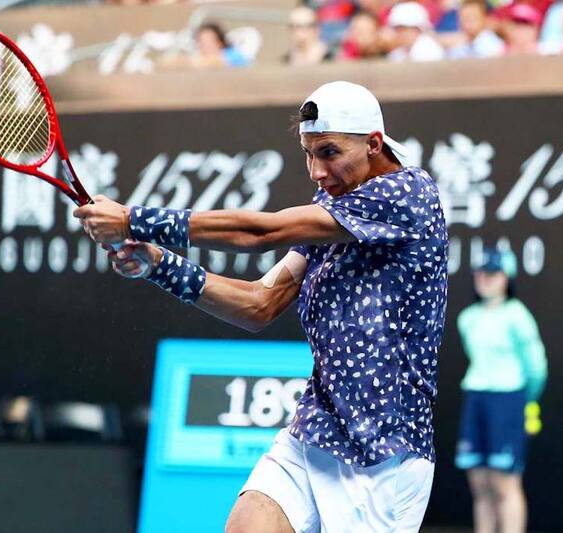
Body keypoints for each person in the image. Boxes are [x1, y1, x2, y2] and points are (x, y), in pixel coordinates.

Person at [74, 80, 449, 532]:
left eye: (328, 152)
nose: (316, 170)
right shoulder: (334, 206)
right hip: (315, 432)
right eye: (308, 153)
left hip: (383, 455)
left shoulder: (407, 195)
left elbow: (262, 233)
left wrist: (135, 219)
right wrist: (157, 264)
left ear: (373, 144)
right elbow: (259, 303)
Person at [454, 247, 547, 533]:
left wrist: (525, 403)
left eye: (493, 273)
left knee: (505, 483)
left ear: (507, 277)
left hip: (507, 400)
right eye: (481, 273)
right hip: (476, 397)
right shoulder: (467, 318)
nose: (485, 279)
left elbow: (536, 369)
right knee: (480, 483)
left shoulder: (518, 316)